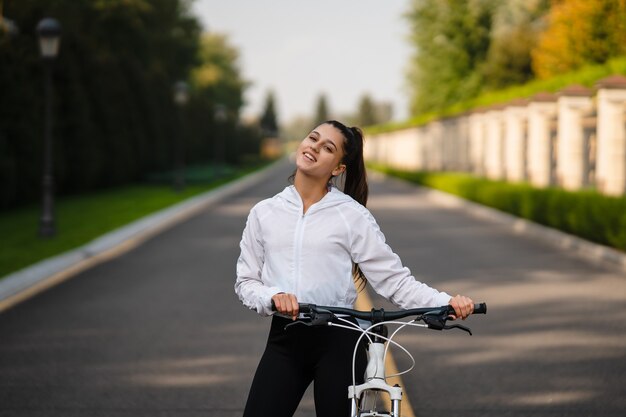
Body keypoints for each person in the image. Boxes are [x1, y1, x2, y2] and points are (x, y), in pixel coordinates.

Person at [235, 120, 474, 417]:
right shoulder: (264, 212)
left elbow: (395, 282)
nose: (314, 148)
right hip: (286, 338)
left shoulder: (351, 216)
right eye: (313, 138)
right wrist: (272, 296)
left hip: (341, 341)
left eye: (328, 148)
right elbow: (246, 282)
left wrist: (446, 302)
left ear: (338, 168)